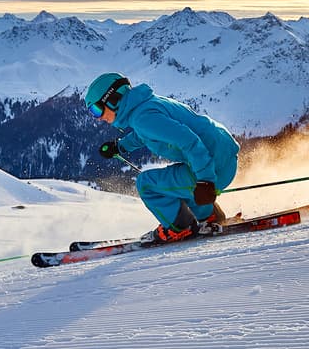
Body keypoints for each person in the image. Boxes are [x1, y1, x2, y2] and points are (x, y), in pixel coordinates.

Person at [84, 72, 239, 244]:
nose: (98, 117)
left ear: (113, 99)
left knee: (146, 184)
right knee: (176, 183)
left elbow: (190, 141)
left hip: (215, 167)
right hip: (221, 158)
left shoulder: (143, 118)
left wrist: (206, 181)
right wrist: (120, 146)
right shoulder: (145, 107)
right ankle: (207, 215)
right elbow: (148, 133)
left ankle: (180, 227)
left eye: (97, 109)